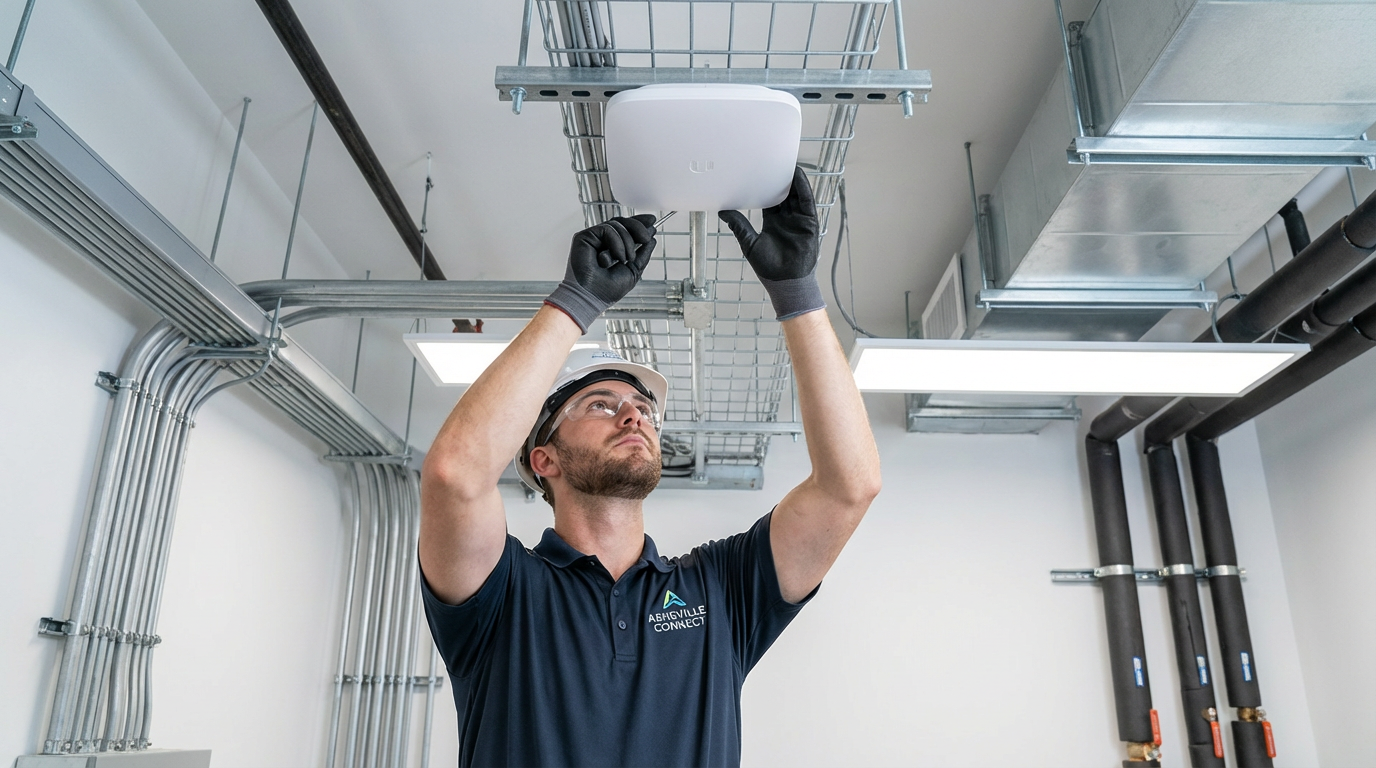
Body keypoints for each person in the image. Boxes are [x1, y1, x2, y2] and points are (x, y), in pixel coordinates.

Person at [419, 167, 882, 767]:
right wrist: (574, 303)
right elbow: (455, 474)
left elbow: (850, 487)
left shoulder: (719, 588)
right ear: (544, 458)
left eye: (643, 408)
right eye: (601, 405)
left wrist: (796, 290)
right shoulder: (502, 591)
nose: (633, 417)